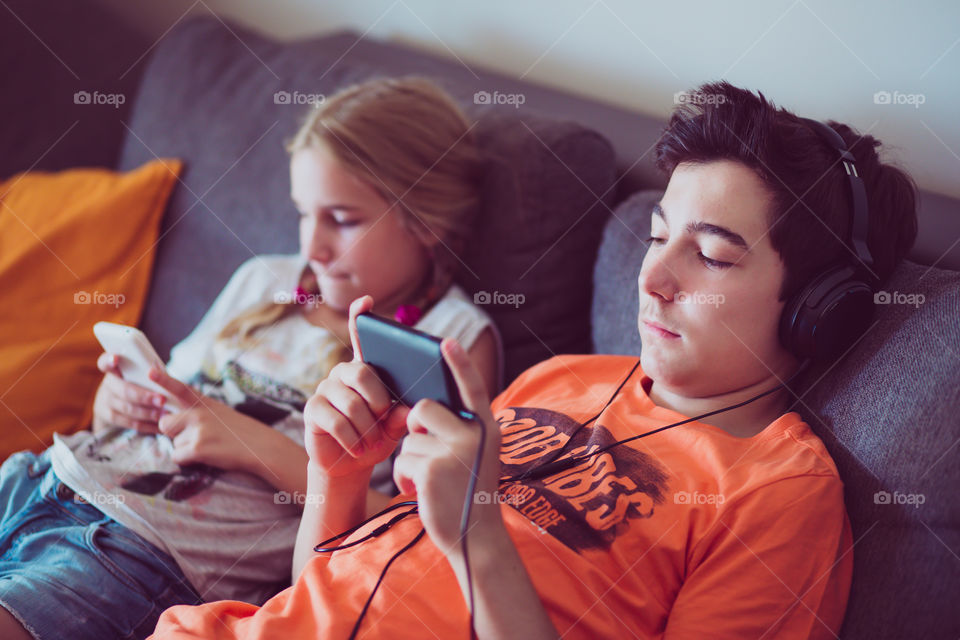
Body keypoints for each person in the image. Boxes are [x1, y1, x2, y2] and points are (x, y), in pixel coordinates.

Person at [149, 81, 919, 639]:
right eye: (657, 238)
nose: (650, 278)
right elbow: (328, 588)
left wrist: (480, 535)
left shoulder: (780, 494)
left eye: (712, 256)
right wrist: (338, 475)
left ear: (819, 305)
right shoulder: (561, 378)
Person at [0, 77, 502, 640]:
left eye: (342, 219)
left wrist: (250, 444)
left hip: (139, 555)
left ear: (427, 220)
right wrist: (117, 403)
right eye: (303, 214)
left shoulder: (450, 335)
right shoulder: (266, 279)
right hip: (42, 476)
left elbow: (425, 524)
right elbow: (161, 395)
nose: (312, 247)